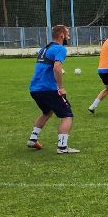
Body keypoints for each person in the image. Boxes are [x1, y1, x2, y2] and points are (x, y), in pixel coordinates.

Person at [27, 23, 80, 154]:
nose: (68, 35)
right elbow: (56, 67)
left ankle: (32, 140)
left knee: (47, 112)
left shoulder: (44, 48)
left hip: (35, 88)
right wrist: (60, 88)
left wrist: (58, 71)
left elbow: (49, 66)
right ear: (62, 35)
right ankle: (62, 147)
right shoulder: (60, 49)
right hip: (48, 88)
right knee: (67, 116)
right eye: (67, 33)